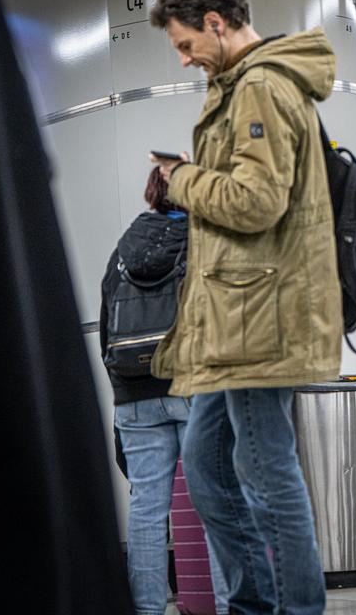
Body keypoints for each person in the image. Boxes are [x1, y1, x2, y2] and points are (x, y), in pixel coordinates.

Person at [147, 0, 342, 615]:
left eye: (184, 44)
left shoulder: (260, 85)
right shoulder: (239, 86)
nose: (183, 59)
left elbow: (257, 202)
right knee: (206, 468)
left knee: (265, 475)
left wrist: (181, 181)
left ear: (215, 22)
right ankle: (251, 604)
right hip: (240, 316)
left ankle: (295, 608)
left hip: (262, 316)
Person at [100, 168, 229, 615]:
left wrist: (122, 393)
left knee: (147, 514)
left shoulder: (122, 251)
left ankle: (147, 610)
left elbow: (106, 330)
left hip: (134, 393)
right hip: (193, 387)